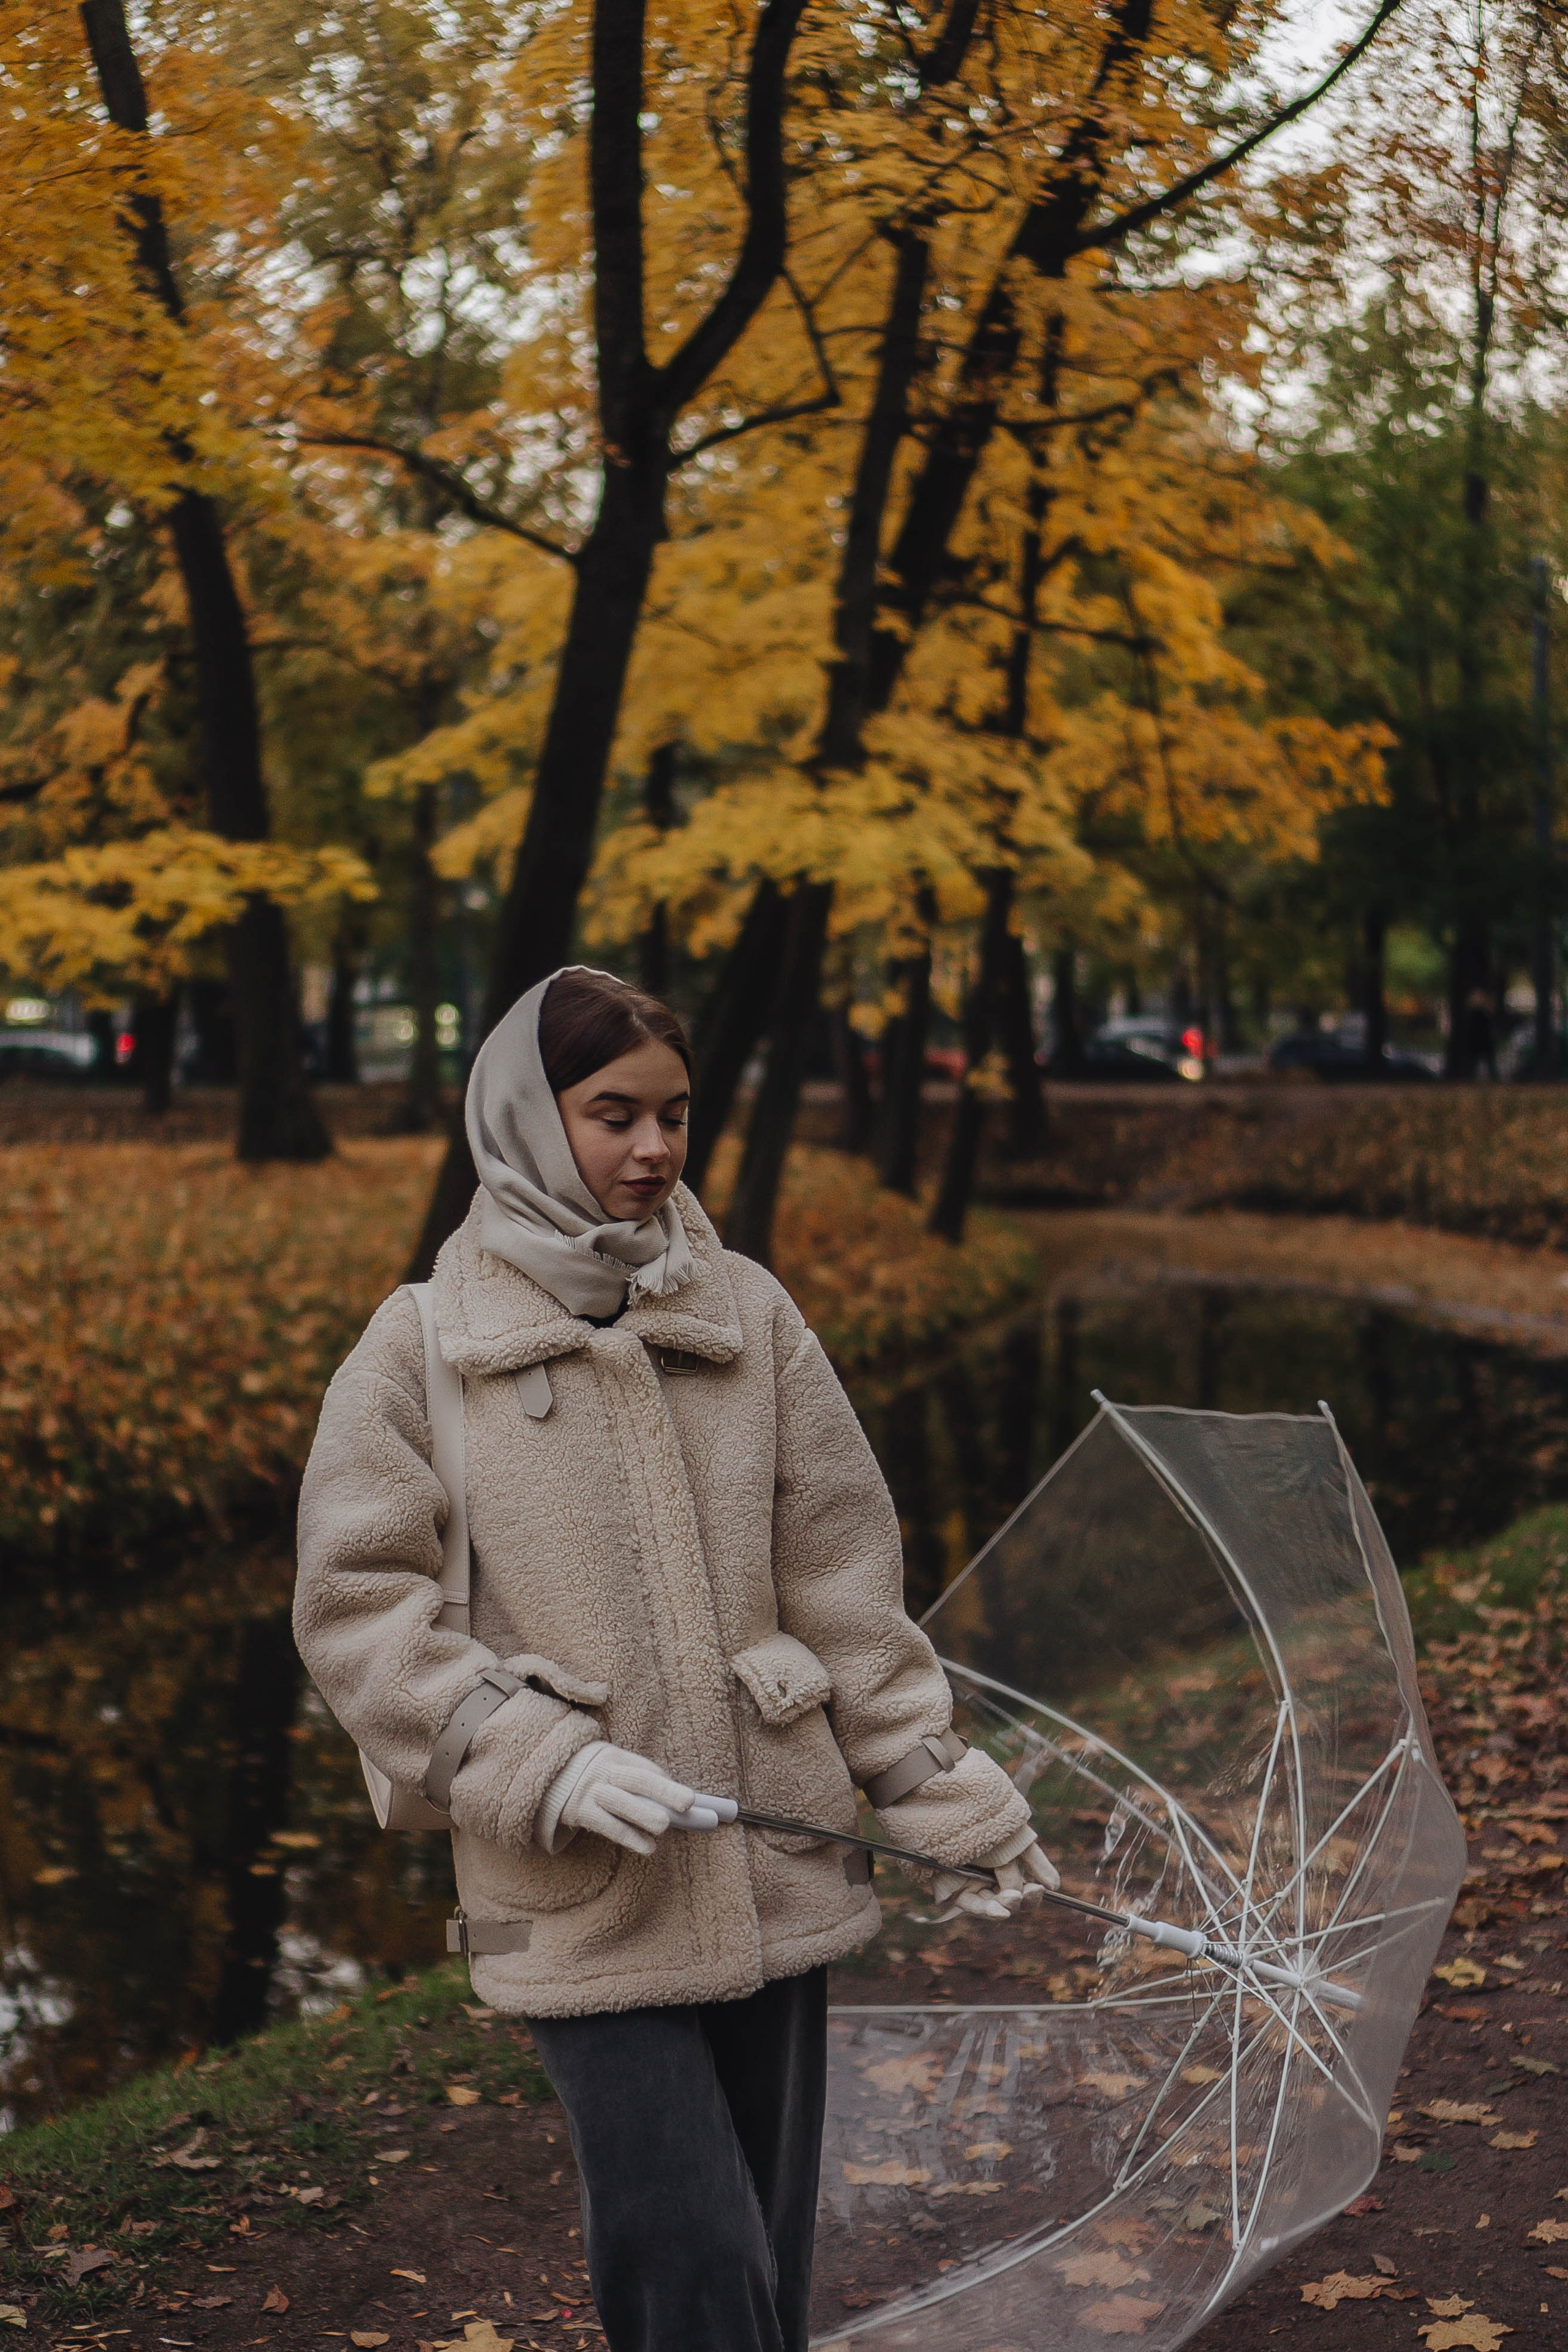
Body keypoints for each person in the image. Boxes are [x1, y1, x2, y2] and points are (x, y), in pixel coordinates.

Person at [294, 966, 1058, 2352]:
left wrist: (937, 1791)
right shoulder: (419, 1347)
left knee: (760, 2240)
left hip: (779, 1861)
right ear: (527, 1118)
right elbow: (355, 1609)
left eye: (674, 1114)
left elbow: (841, 1576)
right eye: (611, 1114)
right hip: (578, 1883)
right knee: (685, 2254)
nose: (651, 1149)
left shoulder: (748, 1316)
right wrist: (541, 1759)